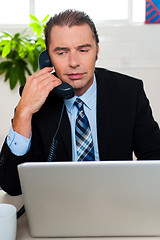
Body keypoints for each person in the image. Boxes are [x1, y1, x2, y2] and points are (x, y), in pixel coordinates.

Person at [1, 9, 160, 196]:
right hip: (58, 204)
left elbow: (154, 158)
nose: (74, 62)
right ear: (48, 59)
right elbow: (11, 186)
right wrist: (24, 112)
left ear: (97, 51)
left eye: (83, 50)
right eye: (61, 52)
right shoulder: (35, 98)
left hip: (117, 201)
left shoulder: (129, 92)